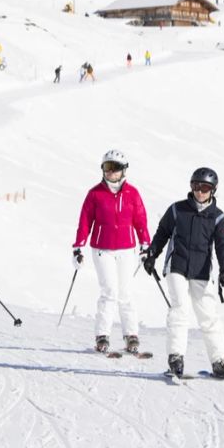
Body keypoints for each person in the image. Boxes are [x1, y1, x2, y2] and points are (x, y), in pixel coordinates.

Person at [142, 167, 224, 379]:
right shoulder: (177, 210)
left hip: (202, 271)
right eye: (196, 186)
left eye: (205, 188)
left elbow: (223, 246)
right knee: (180, 309)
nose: (200, 192)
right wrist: (152, 255)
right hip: (177, 266)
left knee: (208, 315)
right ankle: (176, 357)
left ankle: (220, 361)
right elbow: (162, 233)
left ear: (213, 190)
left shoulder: (218, 217)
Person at [72, 150, 150, 354]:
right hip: (102, 249)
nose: (111, 172)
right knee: (109, 292)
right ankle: (102, 336)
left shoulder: (132, 193)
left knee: (125, 293)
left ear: (124, 170)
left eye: (115, 168)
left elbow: (140, 220)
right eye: (107, 168)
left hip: (126, 249)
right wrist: (78, 246)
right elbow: (85, 221)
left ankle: (131, 335)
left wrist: (145, 244)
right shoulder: (95, 193)